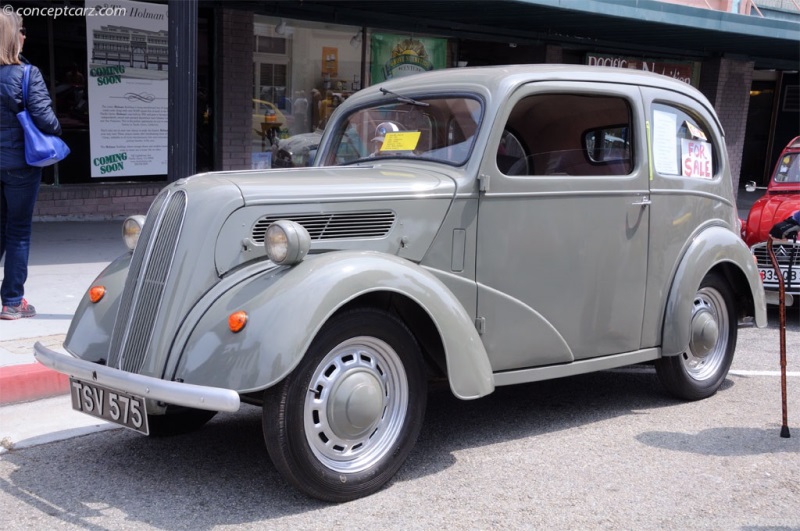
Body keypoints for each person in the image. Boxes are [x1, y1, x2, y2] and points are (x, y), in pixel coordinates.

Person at [0, 12, 63, 319]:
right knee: (18, 232)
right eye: (22, 30)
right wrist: (56, 127)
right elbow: (46, 120)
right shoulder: (27, 74)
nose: (25, 34)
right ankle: (12, 301)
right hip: (20, 166)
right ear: (15, 37)